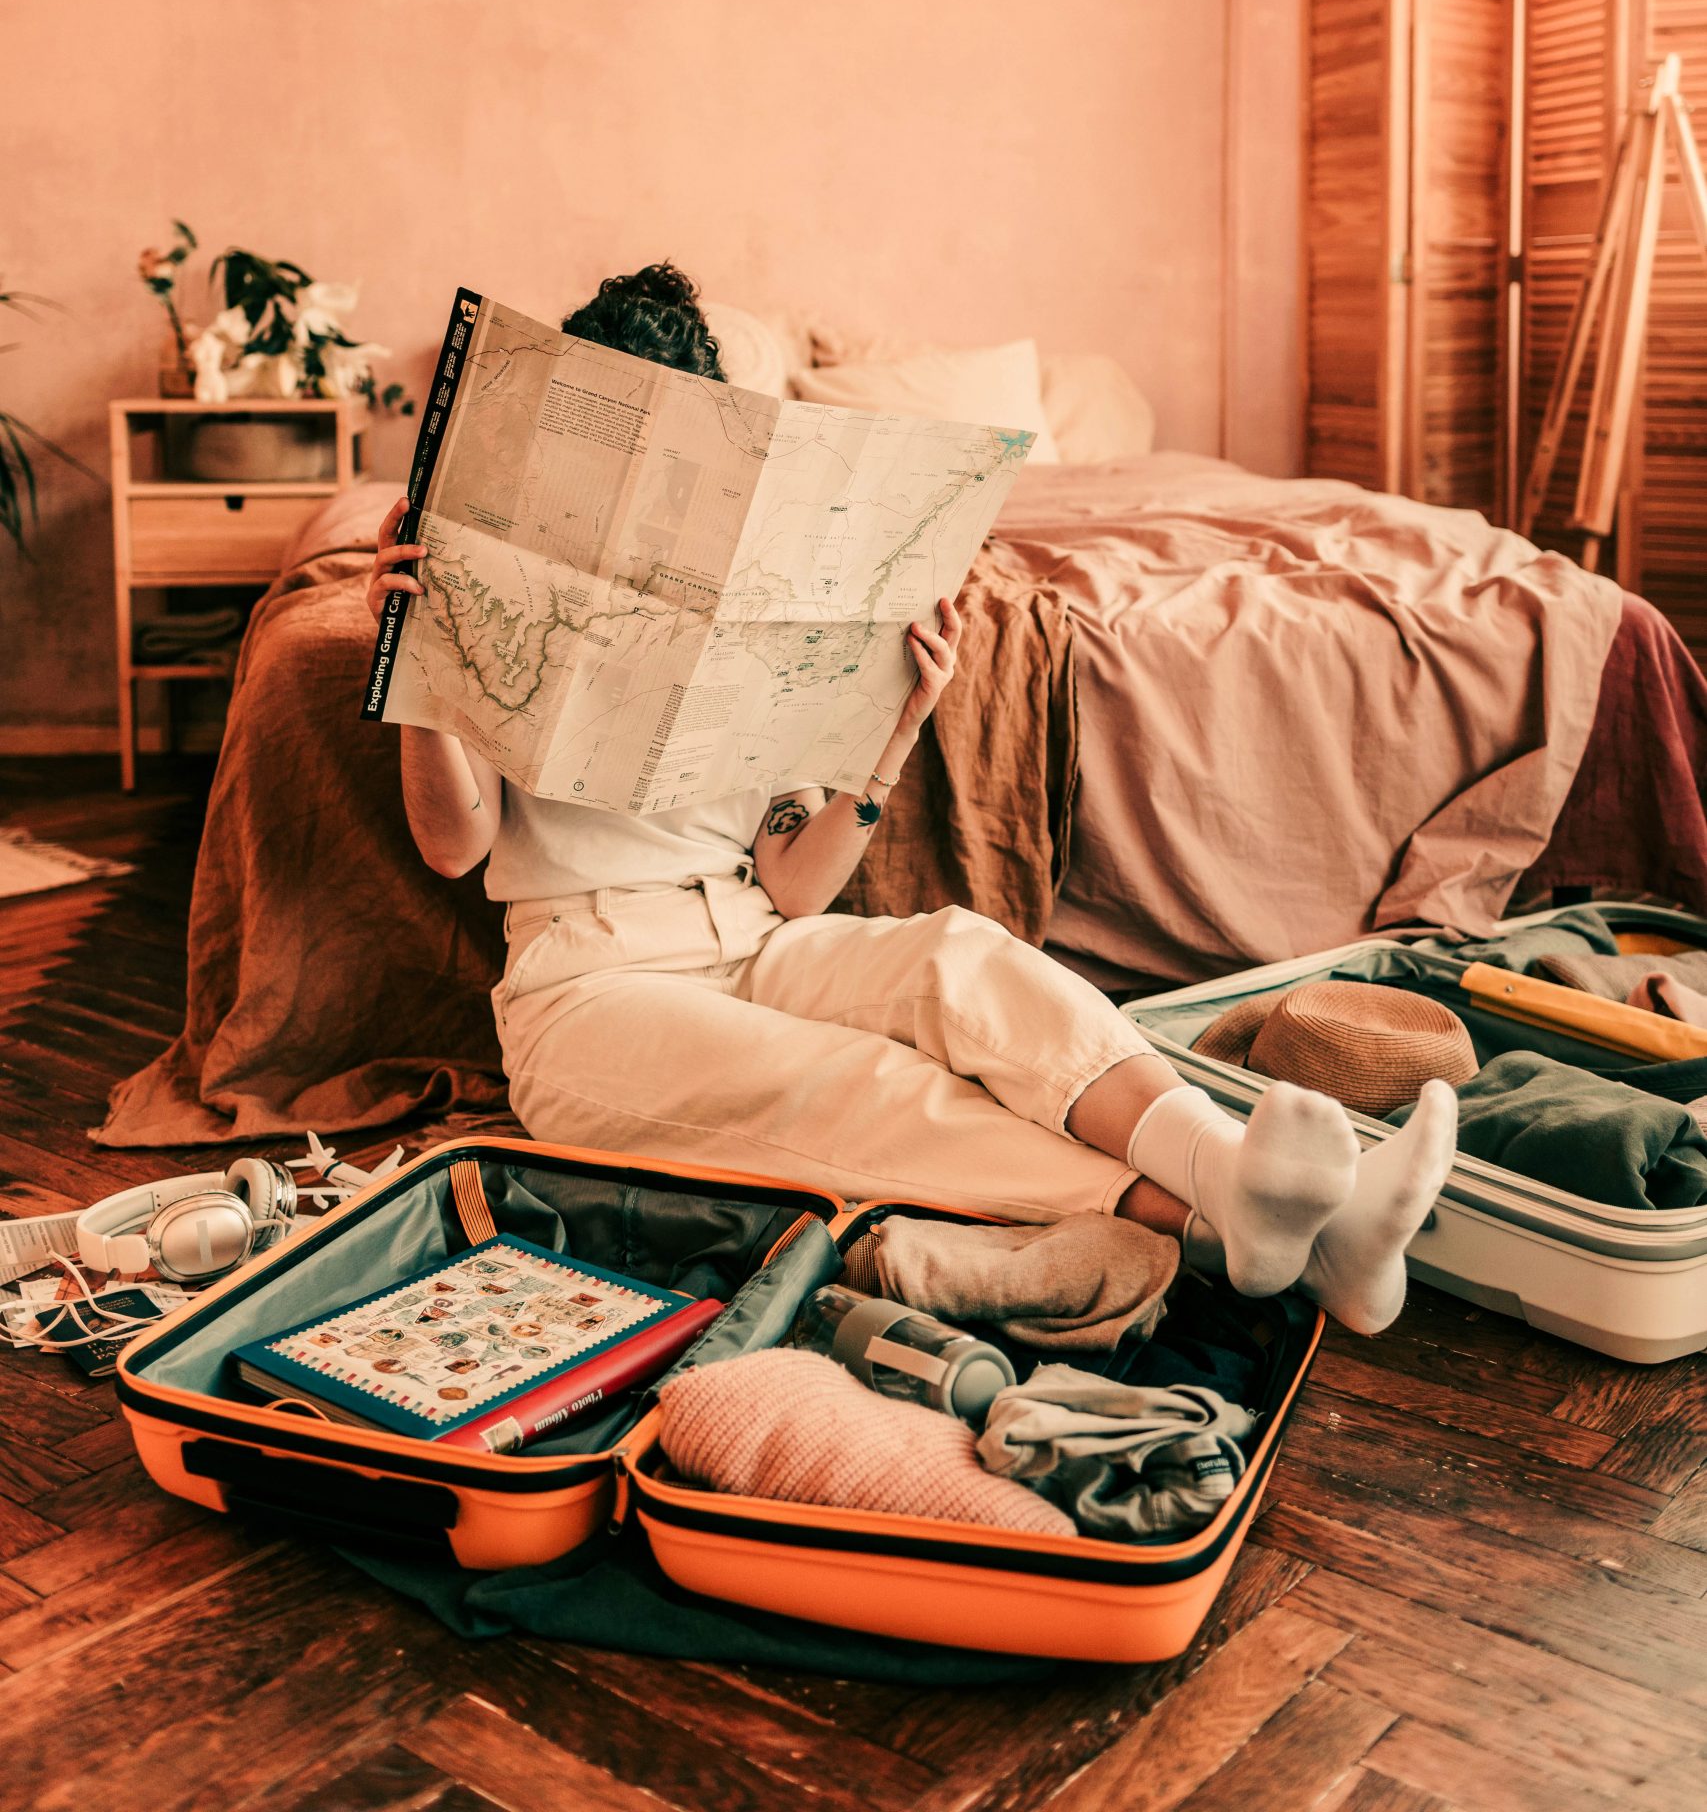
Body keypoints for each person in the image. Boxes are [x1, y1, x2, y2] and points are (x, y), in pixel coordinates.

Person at [368, 263, 1458, 1335]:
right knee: (864, 1086)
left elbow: (795, 888)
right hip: (591, 986)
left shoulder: (755, 581)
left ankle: (1264, 1188)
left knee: (961, 957)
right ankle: (1248, 1237)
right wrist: (414, 661)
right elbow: (454, 849)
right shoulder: (497, 567)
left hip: (754, 939)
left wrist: (894, 729)